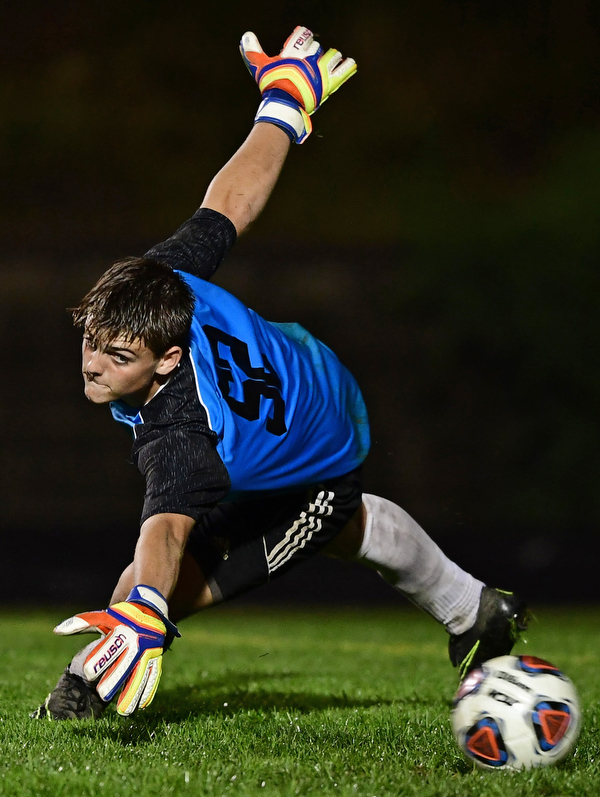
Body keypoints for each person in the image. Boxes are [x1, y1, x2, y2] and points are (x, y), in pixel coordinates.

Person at [32, 26, 528, 721]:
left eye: (119, 357)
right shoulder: (161, 283)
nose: (92, 362)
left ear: (168, 359)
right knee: (299, 546)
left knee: (200, 576)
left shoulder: (180, 432)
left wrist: (147, 608)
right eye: (93, 338)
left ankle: (84, 689)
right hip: (307, 373)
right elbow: (229, 202)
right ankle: (477, 608)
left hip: (316, 462)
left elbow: (165, 532)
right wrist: (284, 107)